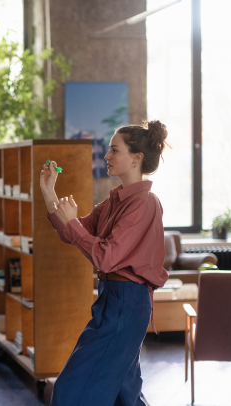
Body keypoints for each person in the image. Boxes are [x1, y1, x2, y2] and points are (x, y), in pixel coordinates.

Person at [40, 120, 170, 406]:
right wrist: (50, 192)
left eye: (114, 150)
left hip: (127, 303)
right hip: (113, 300)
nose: (106, 156)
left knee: (71, 391)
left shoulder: (144, 203)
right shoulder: (114, 201)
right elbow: (72, 233)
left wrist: (72, 223)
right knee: (125, 394)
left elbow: (105, 256)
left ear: (136, 158)